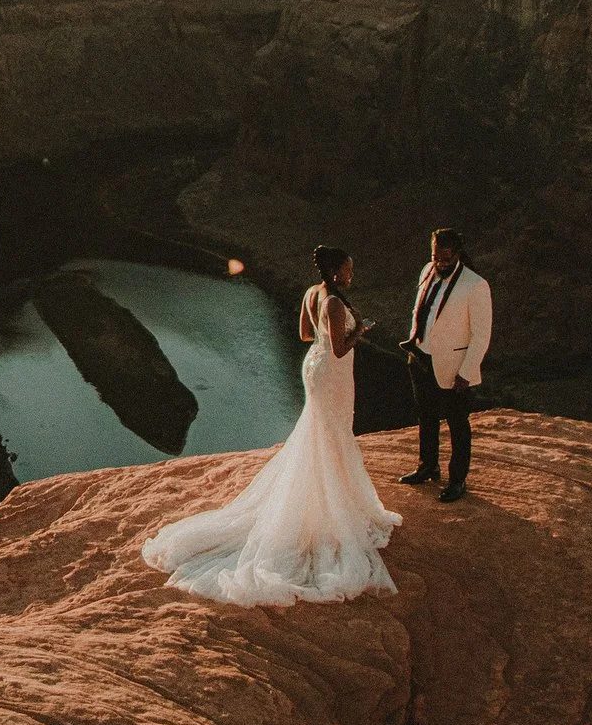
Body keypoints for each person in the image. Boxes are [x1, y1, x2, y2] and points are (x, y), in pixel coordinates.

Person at [139, 244, 402, 604]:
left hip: (316, 367)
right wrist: (363, 331)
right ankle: (332, 507)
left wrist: (335, 336)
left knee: (321, 434)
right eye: (349, 269)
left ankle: (331, 498)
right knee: (333, 435)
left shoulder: (313, 294)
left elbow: (306, 337)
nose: (352, 275)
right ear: (337, 272)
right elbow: (341, 349)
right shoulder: (335, 303)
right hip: (333, 372)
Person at [395, 228, 492, 503]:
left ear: (457, 255)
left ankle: (457, 480)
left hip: (455, 369)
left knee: (457, 425)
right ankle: (428, 466)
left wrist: (466, 373)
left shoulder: (475, 285)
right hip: (421, 358)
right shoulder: (427, 269)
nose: (439, 263)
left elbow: (482, 335)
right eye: (435, 257)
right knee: (425, 416)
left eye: (445, 259)